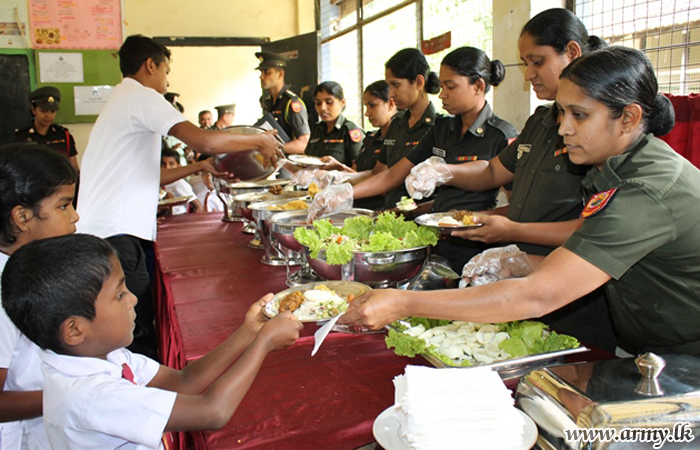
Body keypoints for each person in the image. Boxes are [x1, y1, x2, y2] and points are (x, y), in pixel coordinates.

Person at [340, 47, 700, 356]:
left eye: (579, 115)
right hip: (650, 338)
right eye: (562, 113)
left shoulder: (645, 188)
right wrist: (521, 260)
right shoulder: (616, 166)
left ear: (629, 118)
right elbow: (603, 257)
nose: (563, 129)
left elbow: (537, 296)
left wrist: (403, 304)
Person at [393, 8, 616, 350]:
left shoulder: (598, 133)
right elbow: (494, 171)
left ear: (571, 53)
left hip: (569, 292)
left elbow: (596, 230)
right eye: (526, 63)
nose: (528, 75)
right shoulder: (541, 121)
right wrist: (444, 171)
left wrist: (510, 229)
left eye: (537, 62)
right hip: (517, 279)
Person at [76, 35, 282, 361]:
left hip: (106, 232)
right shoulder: (141, 96)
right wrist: (258, 142)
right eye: (166, 70)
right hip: (118, 236)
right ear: (150, 65)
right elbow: (205, 140)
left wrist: (197, 166)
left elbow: (149, 178)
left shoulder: (122, 101)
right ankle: (144, 394)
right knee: (134, 327)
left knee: (129, 324)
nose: (167, 80)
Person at [1, 234, 302, 449]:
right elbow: (213, 411)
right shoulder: (90, 397)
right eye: (119, 295)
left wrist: (248, 332)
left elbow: (183, 381)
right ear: (75, 330)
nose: (133, 299)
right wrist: (262, 343)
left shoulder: (106, 357)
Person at [312, 47, 519, 271]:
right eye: (441, 87)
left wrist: (469, 218)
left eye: (451, 87)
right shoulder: (442, 130)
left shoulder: (502, 136)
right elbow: (392, 174)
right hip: (434, 243)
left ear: (478, 86)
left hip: (477, 251)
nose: (442, 95)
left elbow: (517, 207)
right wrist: (345, 191)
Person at [0, 142, 79, 450]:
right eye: (64, 205)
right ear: (22, 217)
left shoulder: (24, 270)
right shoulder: (5, 289)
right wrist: (79, 396)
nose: (75, 216)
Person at [363, 48, 441, 209]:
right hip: (389, 213)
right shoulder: (396, 123)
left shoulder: (438, 126)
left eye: (396, 85)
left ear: (419, 82)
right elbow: (381, 173)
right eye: (388, 86)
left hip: (421, 219)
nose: (391, 93)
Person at [320, 80, 398, 210]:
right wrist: (340, 170)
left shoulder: (397, 139)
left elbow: (385, 183)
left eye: (372, 105)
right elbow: (359, 173)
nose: (367, 113)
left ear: (390, 104)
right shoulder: (371, 138)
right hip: (356, 207)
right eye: (366, 106)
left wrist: (343, 189)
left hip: (381, 209)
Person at [14, 86, 80, 173]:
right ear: (33, 110)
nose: (48, 116)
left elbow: (74, 168)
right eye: (43, 111)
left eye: (52, 112)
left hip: (59, 183)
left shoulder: (64, 135)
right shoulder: (21, 136)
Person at [257, 51, 311, 155]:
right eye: (261, 73)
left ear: (280, 74)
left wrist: (274, 147)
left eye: (267, 72)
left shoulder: (292, 103)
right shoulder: (267, 102)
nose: (261, 77)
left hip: (290, 165)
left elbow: (303, 144)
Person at [301, 81, 364, 168]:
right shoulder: (317, 129)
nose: (323, 108)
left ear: (342, 102)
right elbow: (306, 161)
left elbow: (358, 170)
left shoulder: (350, 130)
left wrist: (339, 168)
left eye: (329, 102)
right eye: (318, 103)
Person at [160, 148, 203, 214]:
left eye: (171, 164)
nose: (167, 168)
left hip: (178, 217)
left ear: (179, 167)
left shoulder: (179, 184)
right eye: (163, 165)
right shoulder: (157, 183)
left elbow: (199, 207)